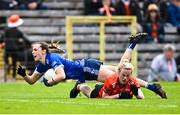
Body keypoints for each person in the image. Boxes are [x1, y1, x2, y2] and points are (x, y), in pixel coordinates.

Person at [17, 33, 166, 99]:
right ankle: (132, 43)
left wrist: (49, 82)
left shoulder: (51, 58)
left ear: (43, 51)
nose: (33, 52)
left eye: (35, 49)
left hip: (86, 67)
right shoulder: (42, 65)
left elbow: (61, 75)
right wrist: (24, 75)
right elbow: (31, 81)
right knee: (119, 69)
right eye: (32, 50)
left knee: (121, 76)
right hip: (83, 70)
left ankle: (153, 87)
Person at [74, 61, 144, 99]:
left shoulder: (132, 81)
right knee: (90, 94)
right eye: (123, 75)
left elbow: (142, 97)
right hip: (101, 93)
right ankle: (79, 86)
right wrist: (119, 96)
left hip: (109, 89)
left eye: (128, 76)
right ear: (118, 72)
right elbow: (104, 97)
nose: (125, 78)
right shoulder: (111, 80)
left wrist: (136, 94)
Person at [0, 14, 31, 81]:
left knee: (6, 61)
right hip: (15, 49)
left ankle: (6, 72)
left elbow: (1, 40)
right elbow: (27, 41)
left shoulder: (6, 31)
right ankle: (13, 77)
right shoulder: (18, 32)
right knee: (14, 63)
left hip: (7, 49)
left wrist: (3, 43)